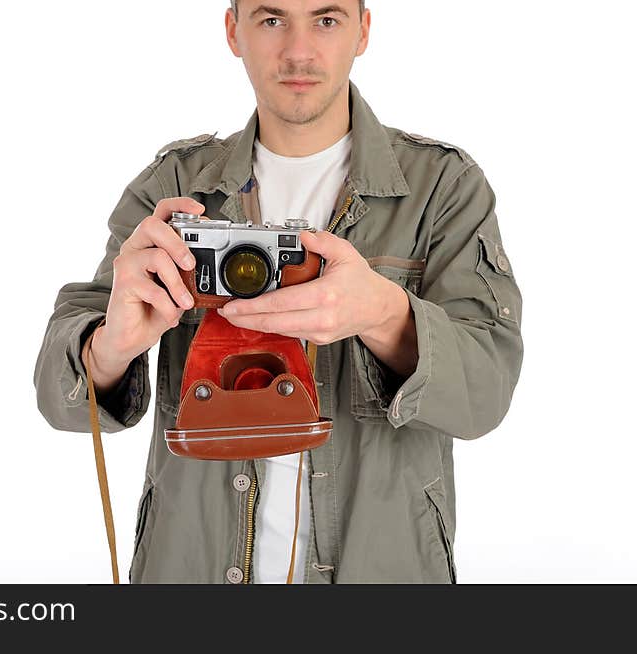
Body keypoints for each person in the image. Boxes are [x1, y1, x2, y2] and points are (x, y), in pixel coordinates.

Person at [33, 0, 523, 584]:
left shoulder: (442, 188)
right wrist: (112, 346)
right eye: (271, 19)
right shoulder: (175, 187)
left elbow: (486, 394)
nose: (297, 50)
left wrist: (387, 315)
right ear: (232, 30)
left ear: (362, 30)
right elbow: (59, 399)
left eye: (326, 19)